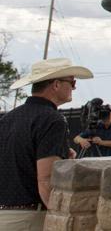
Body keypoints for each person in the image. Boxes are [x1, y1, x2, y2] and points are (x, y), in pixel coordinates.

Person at [1, 58, 93, 230]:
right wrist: (63, 216)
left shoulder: (8, 118)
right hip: (29, 217)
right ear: (56, 84)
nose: (74, 87)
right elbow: (46, 180)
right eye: (72, 82)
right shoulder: (52, 119)